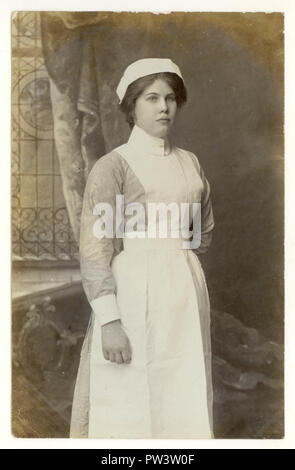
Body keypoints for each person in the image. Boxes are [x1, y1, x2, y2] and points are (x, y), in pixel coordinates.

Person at [70, 58, 215, 439]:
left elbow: (203, 232)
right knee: (129, 393)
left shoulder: (190, 163)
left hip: (183, 292)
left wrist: (178, 263)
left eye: (170, 98)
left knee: (184, 390)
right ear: (132, 107)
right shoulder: (113, 166)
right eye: (151, 98)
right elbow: (95, 248)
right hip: (133, 291)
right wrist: (110, 322)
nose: (163, 107)